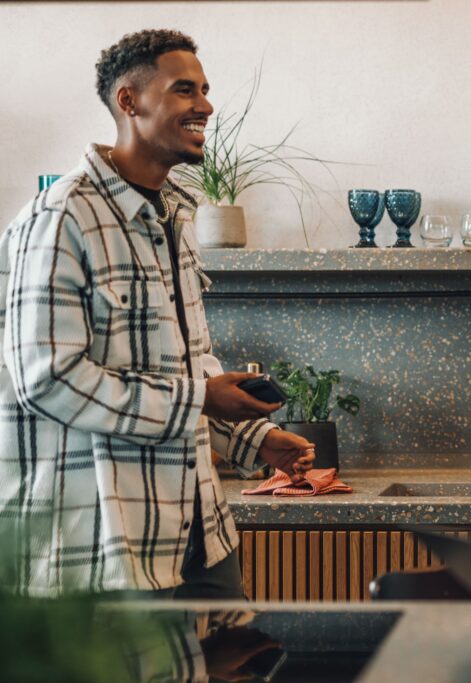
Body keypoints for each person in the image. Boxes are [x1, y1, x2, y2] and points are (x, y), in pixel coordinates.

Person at [0, 29, 315, 599]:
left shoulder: (173, 215)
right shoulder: (60, 218)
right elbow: (47, 381)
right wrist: (201, 399)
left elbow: (187, 363)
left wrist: (252, 439)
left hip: (202, 535)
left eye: (205, 90)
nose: (206, 106)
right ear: (129, 101)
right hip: (103, 555)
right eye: (184, 90)